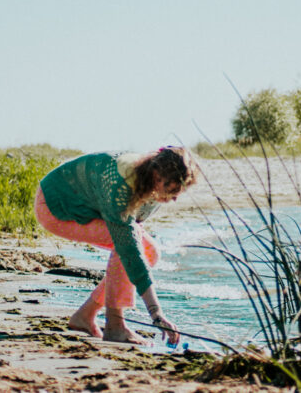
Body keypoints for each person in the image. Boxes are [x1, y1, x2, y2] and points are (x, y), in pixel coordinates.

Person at [33, 146, 197, 346]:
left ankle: (85, 315)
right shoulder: (121, 183)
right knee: (128, 244)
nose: (174, 198)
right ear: (156, 175)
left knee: (150, 252)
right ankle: (115, 326)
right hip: (54, 205)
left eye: (180, 191)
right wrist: (156, 314)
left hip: (86, 206)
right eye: (172, 190)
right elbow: (128, 247)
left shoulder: (149, 181)